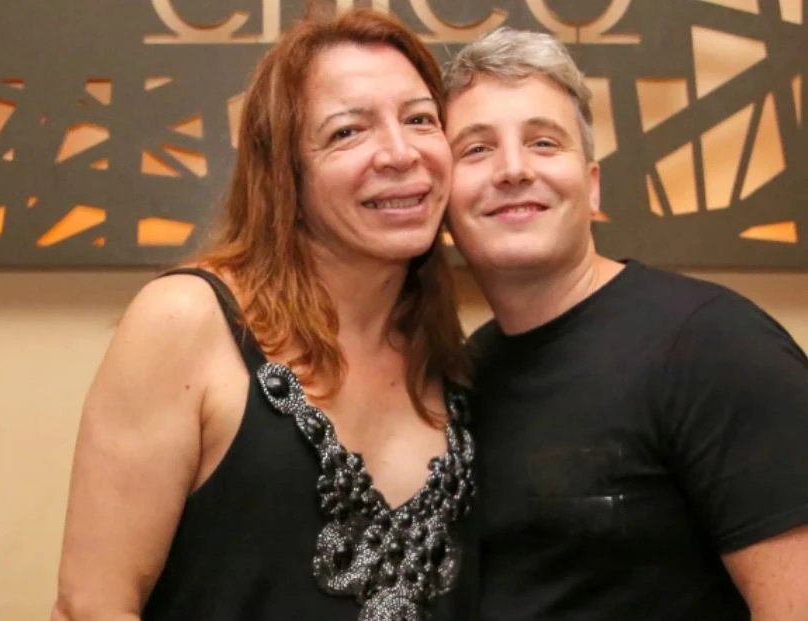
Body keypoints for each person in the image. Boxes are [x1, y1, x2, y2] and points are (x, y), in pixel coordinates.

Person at [50, 9, 478, 621]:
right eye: (348, 131)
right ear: (285, 174)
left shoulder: (451, 351)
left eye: (419, 119)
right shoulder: (187, 322)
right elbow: (90, 606)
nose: (400, 152)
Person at [443, 27, 808, 621]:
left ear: (591, 187)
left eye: (543, 142)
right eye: (477, 149)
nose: (512, 169)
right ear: (443, 198)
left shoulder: (713, 346)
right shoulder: (464, 376)